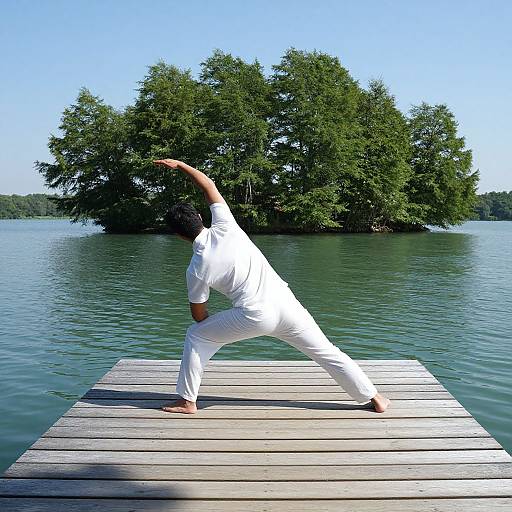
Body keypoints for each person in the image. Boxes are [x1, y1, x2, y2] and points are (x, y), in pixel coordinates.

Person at [153, 158, 391, 414]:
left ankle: (188, 401)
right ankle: (375, 398)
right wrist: (181, 166)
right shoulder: (226, 226)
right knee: (326, 351)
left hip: (253, 314)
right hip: (287, 303)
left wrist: (215, 330)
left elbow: (199, 315)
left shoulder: (197, 267)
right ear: (200, 217)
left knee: (196, 335)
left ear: (178, 235)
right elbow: (208, 185)